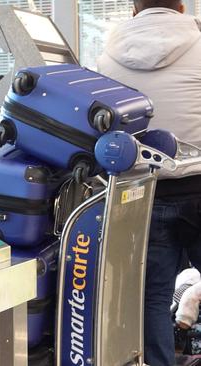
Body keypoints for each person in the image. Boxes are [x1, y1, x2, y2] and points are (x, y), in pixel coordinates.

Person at [97, 1, 201, 365]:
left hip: (144, 192)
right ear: (182, 5)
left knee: (153, 298)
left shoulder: (107, 57)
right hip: (199, 185)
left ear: (133, 8)